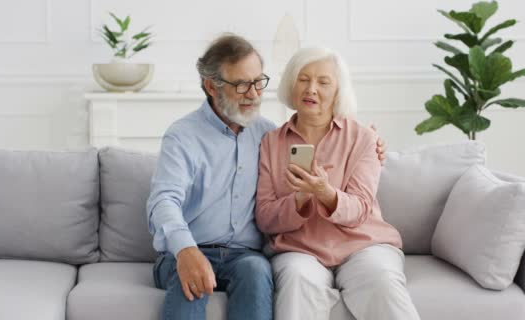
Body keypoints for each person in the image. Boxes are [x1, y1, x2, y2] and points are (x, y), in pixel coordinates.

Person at [147, 34, 386, 320]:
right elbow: (163, 201)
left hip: (244, 257)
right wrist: (185, 250)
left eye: (259, 81)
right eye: (241, 84)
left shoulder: (269, 135)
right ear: (211, 86)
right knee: (191, 284)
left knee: (256, 270)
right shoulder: (183, 136)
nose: (254, 93)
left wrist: (375, 146)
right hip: (186, 251)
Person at [255, 47, 420, 320]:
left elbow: (361, 209)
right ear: (291, 85)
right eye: (303, 79)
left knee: (381, 279)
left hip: (364, 245)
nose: (311, 89)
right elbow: (265, 218)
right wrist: (299, 200)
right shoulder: (270, 143)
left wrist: (325, 192)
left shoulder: (363, 139)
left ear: (338, 91)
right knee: (297, 280)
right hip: (300, 250)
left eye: (323, 82)